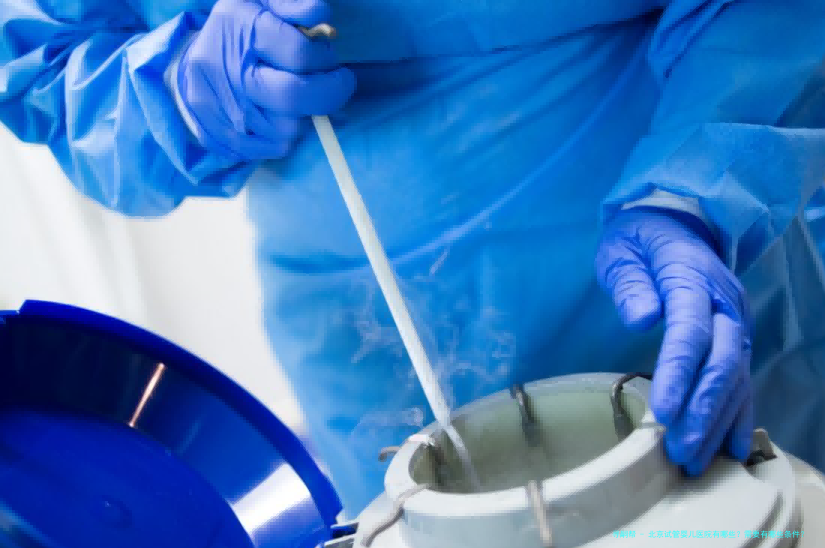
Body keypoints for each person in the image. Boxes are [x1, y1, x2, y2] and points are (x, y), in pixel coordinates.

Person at [2, 0, 825, 516]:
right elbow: (43, 59)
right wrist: (180, 91)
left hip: (679, 284)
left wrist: (695, 194)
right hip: (365, 354)